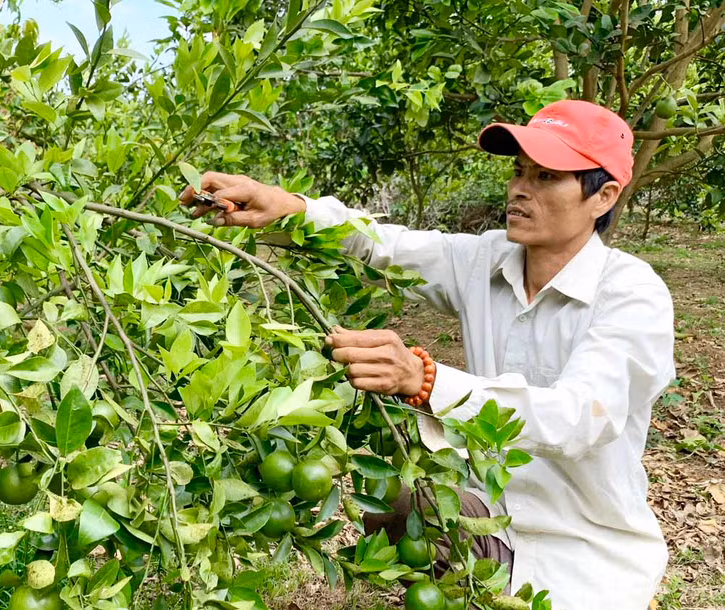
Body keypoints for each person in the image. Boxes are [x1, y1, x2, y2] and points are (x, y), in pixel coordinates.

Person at [179, 100, 674, 610]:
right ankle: (467, 584)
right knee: (401, 497)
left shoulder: (632, 294)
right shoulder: (486, 259)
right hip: (488, 514)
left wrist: (426, 380)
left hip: (583, 551)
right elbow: (381, 246)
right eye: (519, 171)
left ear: (604, 196)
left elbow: (579, 418)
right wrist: (288, 206)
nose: (520, 189)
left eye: (547, 176)